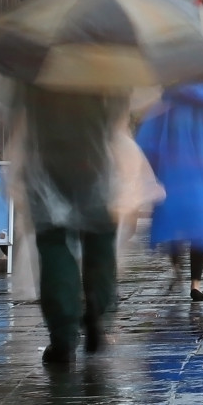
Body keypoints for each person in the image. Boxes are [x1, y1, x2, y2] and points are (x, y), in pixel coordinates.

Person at [13, 83, 131, 364]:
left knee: (54, 245)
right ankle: (97, 313)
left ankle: (63, 335)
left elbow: (20, 119)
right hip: (95, 165)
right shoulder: (105, 69)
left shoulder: (35, 68)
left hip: (47, 166)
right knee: (100, 239)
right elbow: (118, 122)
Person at [137, 83, 203, 304]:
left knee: (173, 227)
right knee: (200, 232)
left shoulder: (166, 106)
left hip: (173, 178)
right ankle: (196, 284)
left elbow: (146, 143)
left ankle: (176, 267)